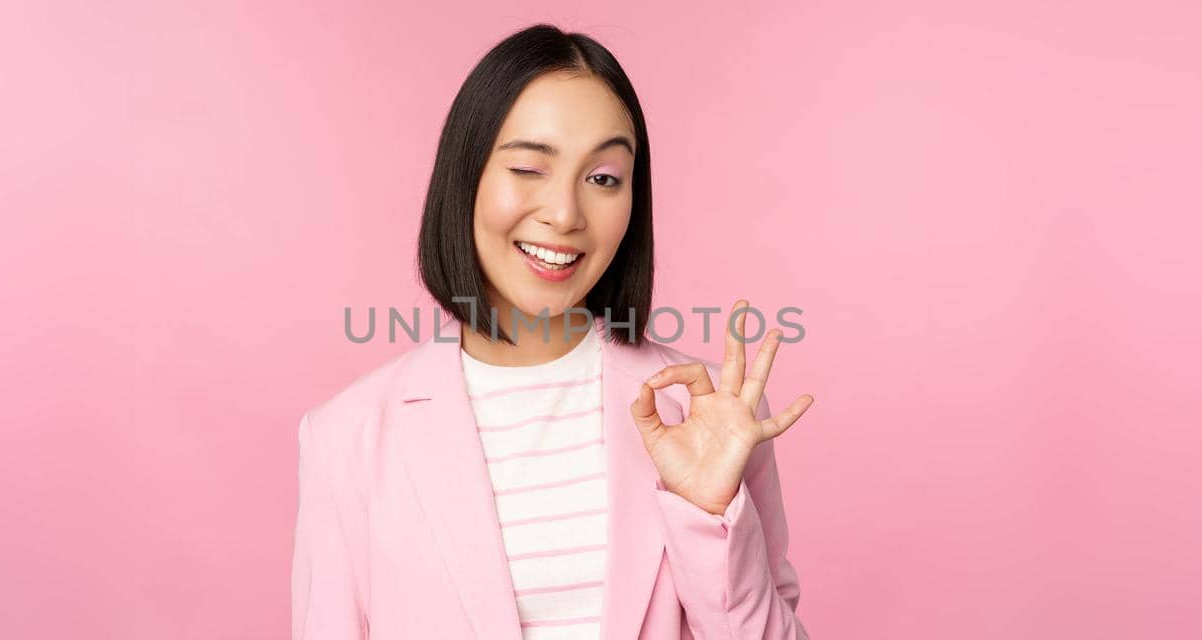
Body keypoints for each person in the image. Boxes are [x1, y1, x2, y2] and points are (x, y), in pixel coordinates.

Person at [293, 23, 815, 639]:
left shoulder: (704, 419)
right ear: (466, 180)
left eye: (603, 179)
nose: (565, 214)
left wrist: (707, 514)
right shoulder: (348, 438)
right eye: (528, 168)